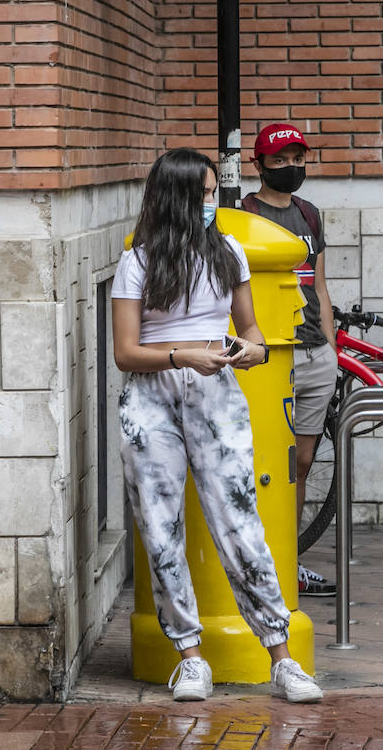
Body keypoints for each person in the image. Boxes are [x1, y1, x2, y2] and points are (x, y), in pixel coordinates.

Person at [112, 147, 323, 704]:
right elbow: (126, 353)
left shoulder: (229, 253)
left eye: (214, 193)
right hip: (150, 400)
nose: (213, 203)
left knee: (240, 522)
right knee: (160, 530)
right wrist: (184, 356)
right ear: (176, 198)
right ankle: (190, 657)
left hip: (216, 393)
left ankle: (282, 658)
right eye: (204, 195)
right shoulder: (137, 263)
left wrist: (248, 352)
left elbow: (250, 330)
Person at [242, 123, 337, 596]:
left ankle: (288, 558)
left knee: (300, 464)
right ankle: (254, 564)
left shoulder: (310, 214)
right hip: (267, 357)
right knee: (264, 465)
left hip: (315, 352)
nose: (290, 168)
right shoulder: (242, 215)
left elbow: (318, 285)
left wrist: (332, 348)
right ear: (258, 164)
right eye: (279, 161)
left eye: (297, 158)